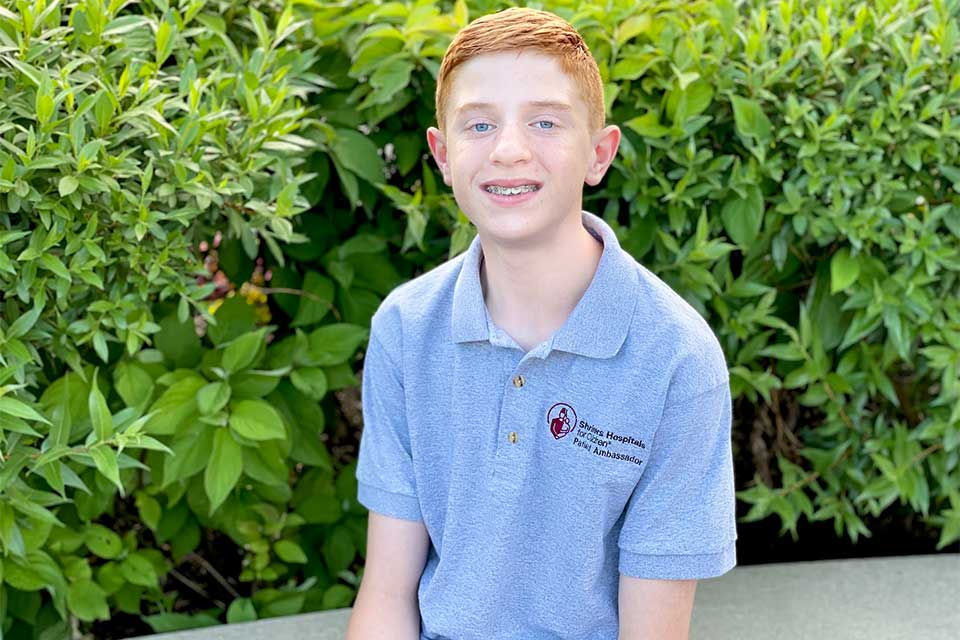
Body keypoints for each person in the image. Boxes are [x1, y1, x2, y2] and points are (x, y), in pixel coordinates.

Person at [347, 7, 737, 640]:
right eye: (479, 124)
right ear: (443, 156)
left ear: (599, 153)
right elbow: (387, 595)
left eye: (546, 121)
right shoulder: (406, 329)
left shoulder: (678, 360)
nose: (508, 149)